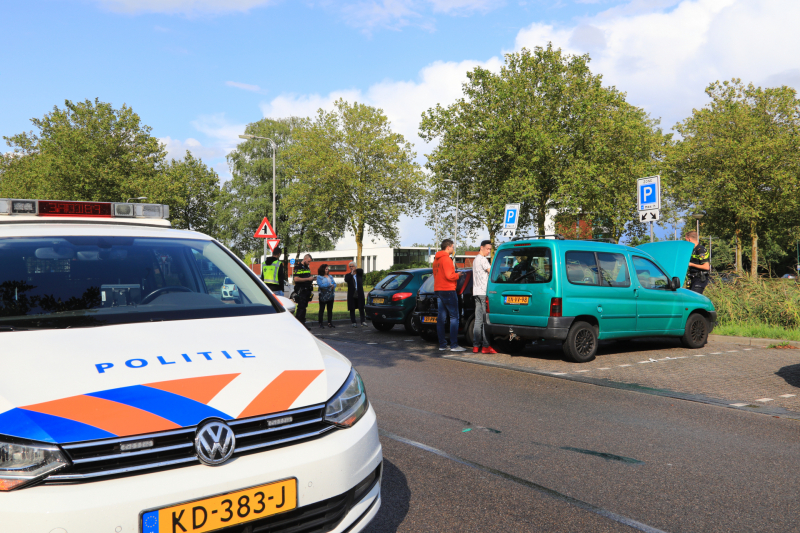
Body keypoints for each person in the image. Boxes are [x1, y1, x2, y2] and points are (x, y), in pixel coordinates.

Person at [432, 239, 465, 352]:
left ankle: (442, 345)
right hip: (448, 289)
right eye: (453, 247)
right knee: (454, 317)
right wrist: (458, 275)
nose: (453, 249)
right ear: (448, 247)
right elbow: (449, 276)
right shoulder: (446, 259)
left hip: (439, 289)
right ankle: (454, 345)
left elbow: (437, 275)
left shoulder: (436, 260)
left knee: (441, 318)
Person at [471, 240, 497, 354]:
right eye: (487, 249)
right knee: (485, 320)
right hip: (483, 292)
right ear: (481, 248)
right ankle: (486, 346)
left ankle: (476, 346)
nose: (489, 251)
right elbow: (491, 273)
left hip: (476, 292)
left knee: (478, 320)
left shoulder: (475, 260)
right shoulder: (483, 260)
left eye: (490, 249)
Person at [293, 254, 314, 326]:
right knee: (301, 308)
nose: (309, 263)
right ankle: (298, 325)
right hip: (301, 291)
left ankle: (303, 324)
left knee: (304, 308)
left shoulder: (307, 268)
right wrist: (308, 279)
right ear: (305, 259)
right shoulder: (298, 267)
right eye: (308, 261)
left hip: (307, 291)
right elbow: (296, 279)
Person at [344, 261, 366, 327]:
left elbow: (361, 270)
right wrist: (351, 274)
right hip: (352, 294)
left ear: (355, 266)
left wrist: (355, 270)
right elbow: (346, 280)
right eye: (350, 266)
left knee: (361, 307)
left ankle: (363, 321)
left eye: (352, 266)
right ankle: (353, 322)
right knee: (352, 308)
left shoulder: (359, 274)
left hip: (359, 293)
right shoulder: (348, 275)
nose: (351, 267)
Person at [316, 264, 337, 329]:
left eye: (328, 269)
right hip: (323, 296)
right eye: (326, 269)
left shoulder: (330, 276)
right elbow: (321, 285)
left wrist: (333, 285)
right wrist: (329, 284)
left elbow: (334, 283)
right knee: (322, 310)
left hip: (331, 295)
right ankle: (320, 323)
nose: (327, 270)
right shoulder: (319, 277)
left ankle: (330, 322)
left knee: (330, 310)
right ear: (323, 270)